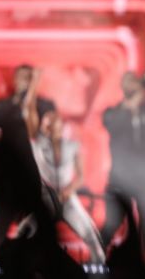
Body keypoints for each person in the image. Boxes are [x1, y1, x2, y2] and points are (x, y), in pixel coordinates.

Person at [18, 68, 105, 263]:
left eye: (54, 120)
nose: (49, 124)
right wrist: (34, 84)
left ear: (61, 124)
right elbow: (29, 111)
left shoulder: (72, 146)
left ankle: (101, 273)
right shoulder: (38, 142)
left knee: (92, 238)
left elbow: (80, 176)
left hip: (68, 198)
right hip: (46, 198)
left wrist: (69, 189)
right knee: (23, 232)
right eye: (46, 121)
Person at [102, 71, 145, 279]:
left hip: (144, 175)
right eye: (129, 81)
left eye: (135, 81)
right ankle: (96, 260)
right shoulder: (112, 112)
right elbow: (111, 123)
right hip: (120, 175)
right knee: (113, 221)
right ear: (123, 86)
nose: (135, 84)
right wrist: (132, 103)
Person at [0, 64, 56, 261]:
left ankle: (40, 268)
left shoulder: (44, 105)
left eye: (29, 78)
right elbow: (2, 121)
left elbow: (36, 127)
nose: (25, 81)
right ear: (15, 80)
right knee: (2, 226)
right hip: (7, 175)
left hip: (33, 174)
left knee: (41, 225)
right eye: (22, 77)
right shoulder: (3, 105)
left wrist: (32, 93)